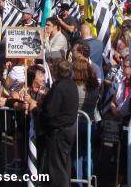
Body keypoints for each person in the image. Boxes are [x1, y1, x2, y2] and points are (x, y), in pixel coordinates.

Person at [37, 57, 79, 187]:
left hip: (59, 132)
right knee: (64, 164)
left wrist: (36, 108)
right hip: (68, 129)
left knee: (57, 168)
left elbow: (50, 112)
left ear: (56, 70)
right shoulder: (71, 84)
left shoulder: (59, 87)